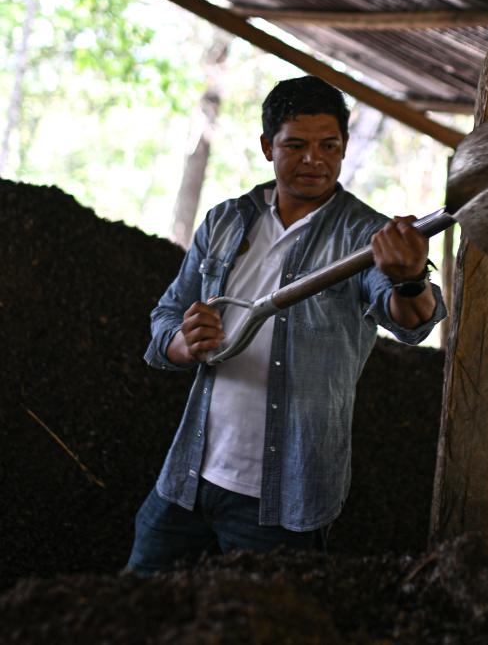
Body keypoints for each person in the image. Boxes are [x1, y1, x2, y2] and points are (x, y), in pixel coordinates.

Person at [126, 75, 446, 574]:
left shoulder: (366, 238)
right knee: (134, 605)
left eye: (329, 146)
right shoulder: (226, 220)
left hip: (283, 502)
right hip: (189, 479)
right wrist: (184, 346)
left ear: (344, 148)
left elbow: (410, 320)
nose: (314, 160)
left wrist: (408, 281)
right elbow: (165, 317)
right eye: (295, 145)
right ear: (266, 147)